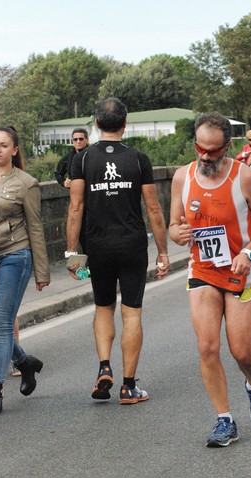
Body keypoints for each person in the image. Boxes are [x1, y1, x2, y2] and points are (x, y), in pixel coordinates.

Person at [169, 112, 251, 447]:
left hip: (241, 274)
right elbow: (173, 225)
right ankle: (225, 420)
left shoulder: (243, 177)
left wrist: (249, 253)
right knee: (207, 346)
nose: (205, 156)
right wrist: (178, 233)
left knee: (241, 352)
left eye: (213, 151)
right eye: (200, 147)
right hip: (202, 271)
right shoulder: (182, 178)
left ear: (227, 146)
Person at [66, 97, 169, 405]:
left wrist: (72, 253)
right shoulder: (138, 158)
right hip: (132, 244)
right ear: (126, 124)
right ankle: (128, 386)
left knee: (103, 307)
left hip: (97, 247)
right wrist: (163, 252)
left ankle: (104, 366)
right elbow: (153, 208)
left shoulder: (82, 159)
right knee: (132, 311)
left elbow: (75, 208)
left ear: (96, 124)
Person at [0, 126, 50, 416]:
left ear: (14, 150)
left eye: (4, 145)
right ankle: (25, 363)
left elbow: (36, 227)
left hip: (14, 256)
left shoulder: (26, 183)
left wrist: (42, 272)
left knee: (2, 323)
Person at [55, 128, 89, 252]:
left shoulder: (91, 155)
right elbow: (58, 173)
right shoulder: (68, 158)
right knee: (81, 236)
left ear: (86, 139)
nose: (78, 141)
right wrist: (64, 182)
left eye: (81, 139)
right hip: (76, 201)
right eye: (75, 139)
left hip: (92, 200)